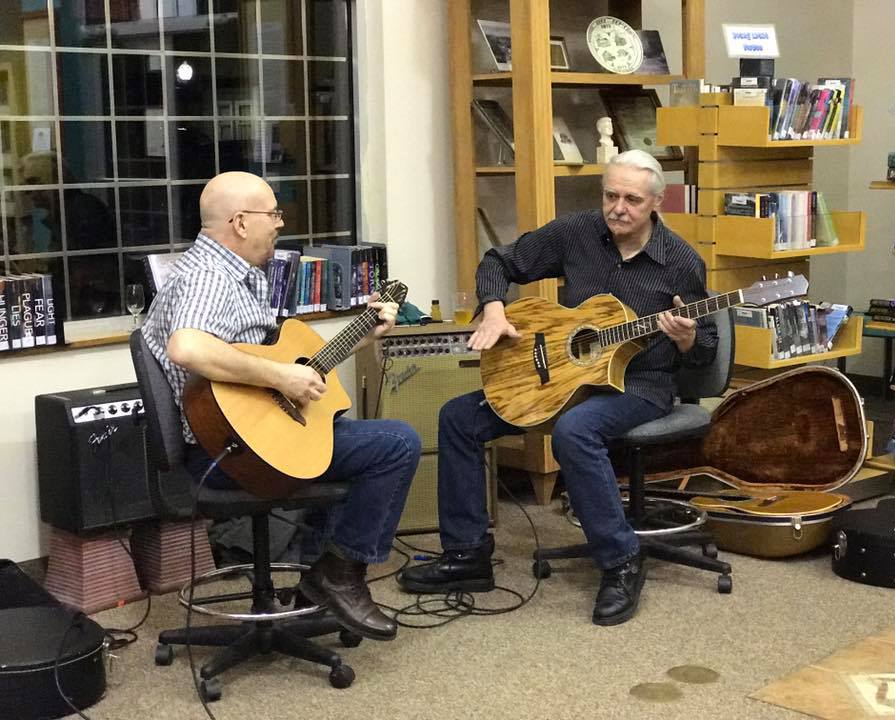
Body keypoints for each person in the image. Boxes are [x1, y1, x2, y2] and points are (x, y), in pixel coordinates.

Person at [398, 150, 717, 626]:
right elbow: (498, 261)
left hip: (639, 385)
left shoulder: (681, 262)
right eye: (610, 196)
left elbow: (705, 351)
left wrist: (687, 338)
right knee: (459, 418)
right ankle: (467, 556)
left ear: (656, 202)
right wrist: (494, 308)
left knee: (575, 430)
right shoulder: (577, 232)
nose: (618, 208)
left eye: (632, 200)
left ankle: (622, 561)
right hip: (562, 374)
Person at [141, 171, 420, 642]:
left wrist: (361, 335)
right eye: (272, 214)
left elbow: (281, 363)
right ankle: (337, 575)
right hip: (225, 454)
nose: (280, 223)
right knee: (397, 444)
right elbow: (187, 348)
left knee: (333, 434)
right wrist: (280, 377)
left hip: (243, 439)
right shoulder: (208, 278)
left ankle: (316, 583)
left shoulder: (237, 275)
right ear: (240, 222)